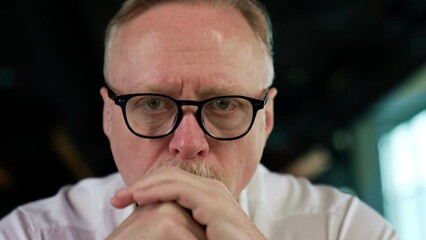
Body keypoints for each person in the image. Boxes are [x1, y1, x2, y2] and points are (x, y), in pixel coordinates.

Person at [0, 0, 399, 239]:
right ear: (108, 115)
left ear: (267, 119)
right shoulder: (30, 232)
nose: (188, 142)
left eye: (225, 105)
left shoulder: (344, 229)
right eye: (152, 103)